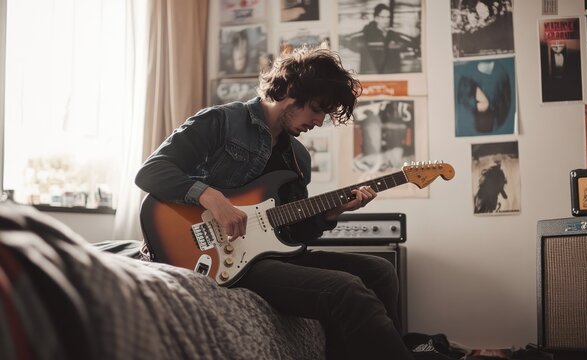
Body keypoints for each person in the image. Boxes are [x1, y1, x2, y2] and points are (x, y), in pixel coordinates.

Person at [135, 48, 416, 360]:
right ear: (292, 91)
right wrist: (210, 196)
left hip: (267, 254)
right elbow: (151, 171)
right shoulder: (220, 121)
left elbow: (295, 235)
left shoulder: (298, 159)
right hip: (220, 256)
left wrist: (332, 212)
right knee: (346, 290)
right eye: (316, 109)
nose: (319, 122)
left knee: (381, 271)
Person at [345, 3, 419, 74]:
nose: (386, 20)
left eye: (388, 17)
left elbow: (409, 43)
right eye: (383, 17)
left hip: (392, 74)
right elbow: (351, 42)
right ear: (376, 18)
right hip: (371, 74)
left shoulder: (393, 34)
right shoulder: (366, 34)